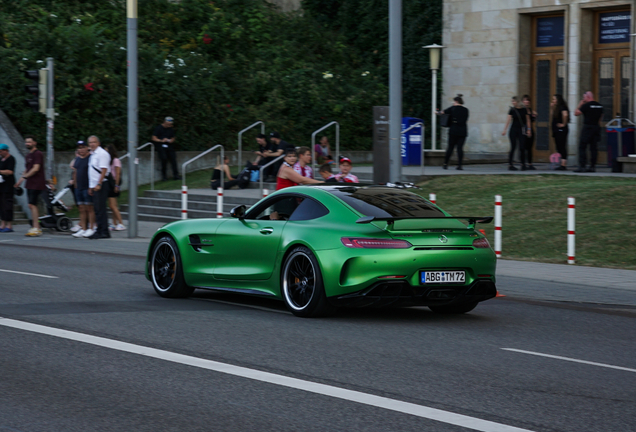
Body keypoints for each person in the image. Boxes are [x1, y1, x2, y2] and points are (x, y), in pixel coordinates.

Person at [14, 135, 46, 236]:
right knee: (31, 205)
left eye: (29, 142)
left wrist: (25, 177)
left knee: (33, 204)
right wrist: (20, 181)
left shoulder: (38, 154)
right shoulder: (28, 155)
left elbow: (36, 168)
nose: (27, 144)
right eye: (26, 142)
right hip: (30, 183)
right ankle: (36, 226)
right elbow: (27, 169)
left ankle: (37, 228)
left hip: (37, 183)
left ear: (34, 143)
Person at [70, 140, 96, 238]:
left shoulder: (91, 158)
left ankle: (91, 228)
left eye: (83, 147)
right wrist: (75, 184)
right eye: (79, 148)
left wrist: (91, 186)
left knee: (89, 208)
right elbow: (75, 171)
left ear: (87, 148)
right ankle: (83, 228)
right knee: (81, 208)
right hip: (79, 187)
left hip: (87, 186)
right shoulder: (77, 159)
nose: (81, 150)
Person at [87, 135, 111, 239]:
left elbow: (104, 170)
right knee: (97, 209)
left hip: (101, 184)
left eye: (94, 142)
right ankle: (100, 229)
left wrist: (99, 183)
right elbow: (92, 172)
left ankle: (103, 231)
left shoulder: (102, 154)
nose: (92, 144)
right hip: (95, 185)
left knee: (100, 209)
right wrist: (91, 187)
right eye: (90, 142)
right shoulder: (92, 154)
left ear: (98, 143)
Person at [574, 91, 604, 173]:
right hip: (596, 127)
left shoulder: (586, 106)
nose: (583, 99)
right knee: (593, 148)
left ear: (588, 97)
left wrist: (580, 104)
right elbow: (600, 118)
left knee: (582, 147)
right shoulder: (599, 106)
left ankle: (582, 166)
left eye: (584, 97)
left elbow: (576, 113)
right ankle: (592, 166)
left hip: (587, 127)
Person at [438, 94, 469, 170]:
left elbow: (442, 112)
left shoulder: (452, 108)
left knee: (450, 148)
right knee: (460, 148)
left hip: (453, 131)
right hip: (462, 131)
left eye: (453, 101)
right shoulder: (466, 110)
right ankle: (460, 165)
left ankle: (445, 164)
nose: (452, 103)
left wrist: (437, 112)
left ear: (456, 101)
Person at [502, 96, 531, 171]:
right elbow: (508, 120)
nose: (512, 103)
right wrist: (505, 130)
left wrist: (529, 130)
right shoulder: (512, 110)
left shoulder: (524, 110)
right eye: (512, 101)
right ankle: (510, 164)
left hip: (521, 129)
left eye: (514, 101)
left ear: (518, 102)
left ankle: (523, 164)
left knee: (522, 147)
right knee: (513, 147)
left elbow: (528, 120)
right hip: (513, 129)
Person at [152, 116, 181, 181]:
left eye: (170, 124)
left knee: (173, 159)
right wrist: (161, 140)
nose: (169, 125)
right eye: (168, 124)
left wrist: (171, 140)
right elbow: (154, 138)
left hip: (169, 145)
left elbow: (173, 137)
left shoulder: (170, 129)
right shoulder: (159, 128)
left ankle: (176, 175)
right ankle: (164, 176)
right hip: (161, 145)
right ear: (165, 122)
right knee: (164, 159)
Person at [106, 144, 125, 231]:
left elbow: (118, 173)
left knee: (113, 206)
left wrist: (116, 185)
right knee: (112, 206)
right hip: (110, 183)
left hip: (113, 183)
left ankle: (121, 223)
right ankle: (114, 223)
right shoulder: (109, 161)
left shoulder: (116, 160)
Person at [551, 94, 570, 171]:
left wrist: (563, 124)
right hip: (556, 130)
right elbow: (552, 116)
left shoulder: (562, 107)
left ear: (558, 100)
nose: (553, 101)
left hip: (561, 130)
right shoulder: (557, 108)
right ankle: (561, 163)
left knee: (562, 146)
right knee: (558, 146)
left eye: (554, 99)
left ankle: (563, 165)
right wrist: (552, 108)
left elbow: (565, 115)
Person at [0, 143, 16, 232]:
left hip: (8, 185)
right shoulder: (1, 159)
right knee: (1, 205)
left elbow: (10, 171)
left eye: (1, 151)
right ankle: (2, 224)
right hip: (1, 185)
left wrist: (0, 171)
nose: (0, 153)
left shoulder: (11, 159)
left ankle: (9, 225)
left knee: (8, 205)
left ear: (6, 151)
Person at [522, 95, 537, 170]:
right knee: (524, 147)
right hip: (525, 129)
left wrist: (534, 115)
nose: (527, 102)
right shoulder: (522, 110)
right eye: (525, 100)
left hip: (531, 129)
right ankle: (523, 163)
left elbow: (532, 120)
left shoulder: (530, 110)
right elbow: (526, 120)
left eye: (528, 100)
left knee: (529, 148)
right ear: (522, 101)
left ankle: (530, 163)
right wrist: (528, 130)